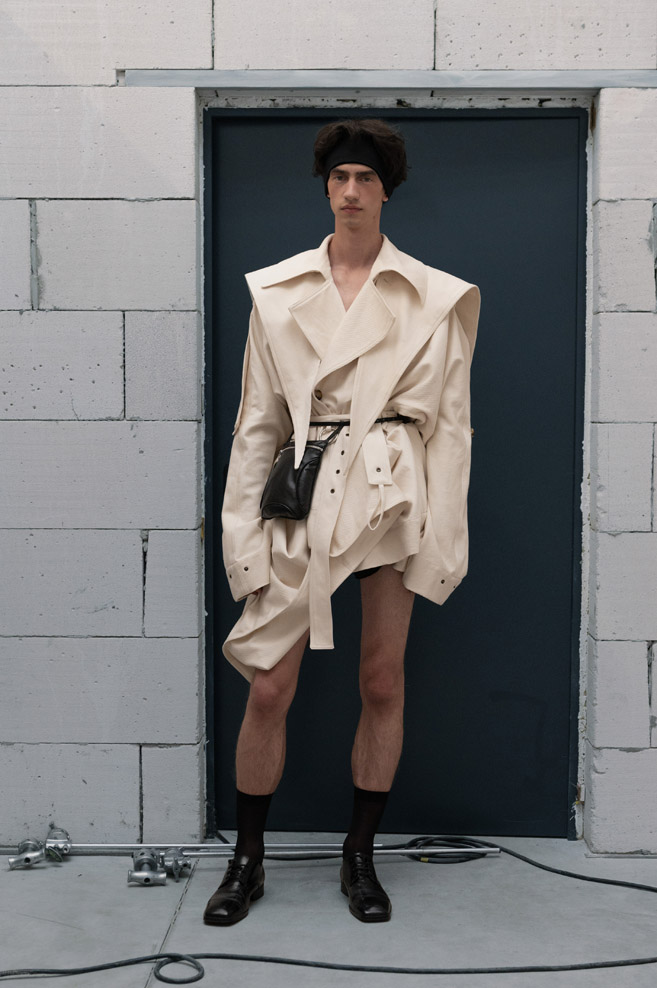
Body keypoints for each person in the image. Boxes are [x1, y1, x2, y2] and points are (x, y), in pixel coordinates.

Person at [203, 118, 481, 926]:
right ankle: (247, 858)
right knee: (268, 687)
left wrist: (443, 544)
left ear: (385, 190)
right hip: (303, 494)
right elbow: (256, 423)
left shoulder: (431, 296)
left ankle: (359, 857)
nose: (351, 190)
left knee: (382, 680)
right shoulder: (278, 291)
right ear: (325, 188)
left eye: (364, 178)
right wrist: (241, 540)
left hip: (391, 496)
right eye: (339, 178)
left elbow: (450, 431)